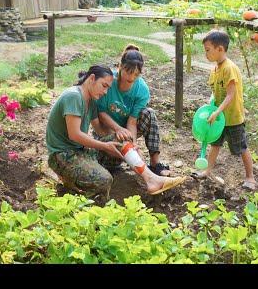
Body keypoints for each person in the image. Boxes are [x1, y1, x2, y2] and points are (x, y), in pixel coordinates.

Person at [46, 64, 186, 201]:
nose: (106, 92)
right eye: (104, 86)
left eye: (108, 88)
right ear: (92, 79)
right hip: (62, 156)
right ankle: (76, 195)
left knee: (122, 139)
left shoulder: (92, 101)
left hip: (81, 151)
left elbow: (101, 132)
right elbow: (75, 135)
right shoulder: (74, 96)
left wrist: (125, 145)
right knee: (105, 180)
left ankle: (151, 179)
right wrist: (105, 146)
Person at [192, 30, 257, 190]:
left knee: (241, 147)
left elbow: (230, 95)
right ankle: (207, 171)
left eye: (208, 50)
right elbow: (216, 94)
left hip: (232, 117)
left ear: (220, 49)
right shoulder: (215, 69)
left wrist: (217, 112)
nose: (206, 54)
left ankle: (250, 178)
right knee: (215, 144)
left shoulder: (229, 68)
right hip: (218, 118)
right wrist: (210, 107)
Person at [94, 44, 172, 176]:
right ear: (120, 66)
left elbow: (132, 121)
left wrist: (133, 143)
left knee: (149, 114)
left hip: (127, 129)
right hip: (107, 128)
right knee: (110, 164)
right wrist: (118, 130)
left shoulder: (142, 89)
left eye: (136, 74)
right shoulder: (108, 82)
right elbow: (100, 113)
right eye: (128, 72)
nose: (131, 77)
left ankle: (155, 164)